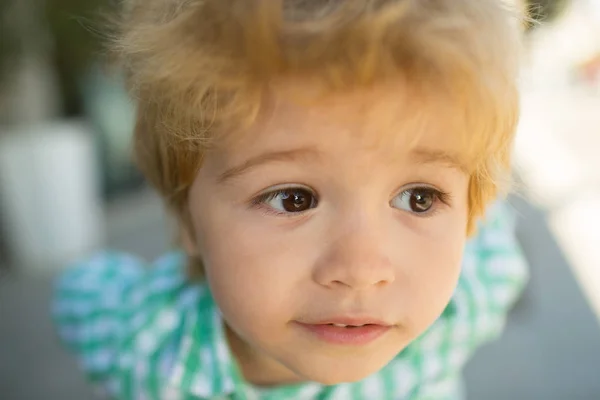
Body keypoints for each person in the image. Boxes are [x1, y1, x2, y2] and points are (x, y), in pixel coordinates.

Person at [53, 1, 529, 398]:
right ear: (187, 221)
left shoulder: (464, 304)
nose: (361, 268)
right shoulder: (151, 344)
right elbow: (79, 295)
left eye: (419, 198)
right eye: (293, 199)